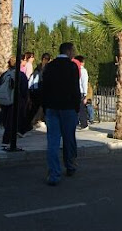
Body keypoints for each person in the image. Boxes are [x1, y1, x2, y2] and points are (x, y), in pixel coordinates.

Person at [41, 42, 81, 185]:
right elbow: (75, 88)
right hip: (68, 107)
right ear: (69, 51)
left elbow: (44, 88)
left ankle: (54, 174)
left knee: (53, 142)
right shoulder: (72, 67)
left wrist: (45, 107)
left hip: (52, 108)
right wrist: (77, 107)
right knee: (69, 138)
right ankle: (70, 165)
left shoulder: (49, 66)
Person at [25, 52, 50, 130]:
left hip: (35, 90)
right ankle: (37, 121)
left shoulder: (38, 68)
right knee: (40, 107)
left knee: (35, 107)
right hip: (41, 90)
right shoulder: (46, 69)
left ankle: (33, 122)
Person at [75, 55, 90, 131]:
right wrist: (85, 93)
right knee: (80, 109)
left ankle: (84, 124)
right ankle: (83, 124)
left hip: (78, 91)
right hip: (80, 91)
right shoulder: (82, 70)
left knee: (80, 109)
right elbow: (84, 83)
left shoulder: (80, 70)